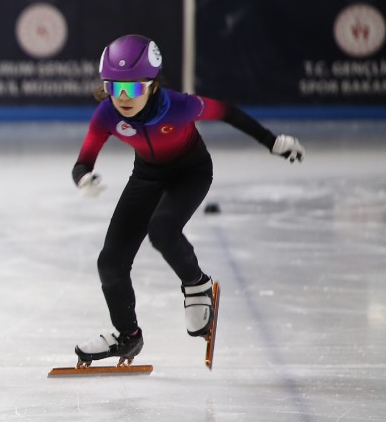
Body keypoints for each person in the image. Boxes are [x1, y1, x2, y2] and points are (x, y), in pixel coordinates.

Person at [69, 34, 304, 365]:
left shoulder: (179, 106)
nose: (122, 97)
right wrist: (83, 179)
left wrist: (272, 141)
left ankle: (197, 285)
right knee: (110, 263)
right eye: (114, 87)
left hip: (190, 174)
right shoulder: (107, 114)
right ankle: (128, 336)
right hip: (146, 177)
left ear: (152, 85)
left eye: (133, 88)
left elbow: (227, 112)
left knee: (162, 230)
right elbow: (83, 162)